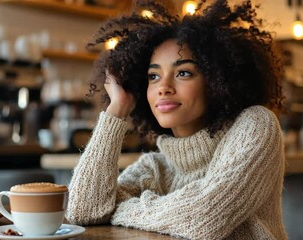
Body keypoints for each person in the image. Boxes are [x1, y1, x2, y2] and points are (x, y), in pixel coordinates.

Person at [66, 0, 288, 239]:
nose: (163, 87)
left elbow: (204, 218)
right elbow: (83, 212)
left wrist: (120, 209)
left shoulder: (255, 125)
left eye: (183, 73)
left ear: (217, 81)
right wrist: (117, 109)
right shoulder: (155, 167)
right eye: (153, 76)